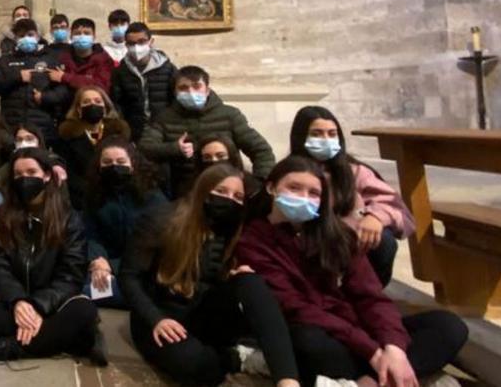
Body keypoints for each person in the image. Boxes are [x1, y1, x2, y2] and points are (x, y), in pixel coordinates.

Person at [237, 157, 468, 387]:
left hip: (360, 333)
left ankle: (375, 380)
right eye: (294, 188)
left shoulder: (337, 235)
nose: (303, 198)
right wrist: (373, 353)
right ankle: (392, 376)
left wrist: (392, 347)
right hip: (323, 334)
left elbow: (370, 296)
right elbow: (296, 308)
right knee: (307, 342)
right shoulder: (253, 241)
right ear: (271, 187)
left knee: (448, 326)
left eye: (313, 193)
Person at [119, 164, 301, 387]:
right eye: (221, 191)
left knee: (250, 281)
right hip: (160, 315)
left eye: (238, 196)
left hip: (202, 312)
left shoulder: (233, 227)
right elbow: (129, 277)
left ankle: (288, 382)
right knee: (197, 366)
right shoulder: (162, 219)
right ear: (203, 189)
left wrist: (235, 276)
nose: (229, 200)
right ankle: (236, 358)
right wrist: (156, 319)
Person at [0, 147, 104, 365]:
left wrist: (37, 306)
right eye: (18, 175)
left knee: (83, 310)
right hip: (14, 302)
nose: (24, 179)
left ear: (47, 175)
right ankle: (67, 341)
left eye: (31, 172)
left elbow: (71, 275)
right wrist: (19, 301)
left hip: (52, 304)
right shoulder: (2, 215)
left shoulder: (68, 219)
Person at [289, 107, 415, 287]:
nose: (326, 140)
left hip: (350, 245)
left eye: (332, 134)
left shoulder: (355, 172)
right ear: (301, 137)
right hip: (307, 246)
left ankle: (370, 294)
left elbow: (397, 208)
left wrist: (376, 217)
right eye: (316, 134)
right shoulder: (287, 173)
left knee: (384, 242)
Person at [138, 66, 274, 197]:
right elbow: (145, 147)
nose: (190, 92)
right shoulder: (164, 118)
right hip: (187, 192)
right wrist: (173, 149)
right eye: (183, 88)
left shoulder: (230, 115)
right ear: (175, 92)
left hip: (229, 188)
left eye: (196, 86)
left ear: (207, 90)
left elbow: (261, 151)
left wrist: (259, 185)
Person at [84, 137, 167, 309]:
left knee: (85, 294)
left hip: (143, 271)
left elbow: (155, 246)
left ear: (133, 164)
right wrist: (98, 260)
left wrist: (111, 267)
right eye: (107, 162)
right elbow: (91, 234)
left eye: (120, 161)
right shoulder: (95, 196)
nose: (114, 166)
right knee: (77, 286)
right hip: (107, 266)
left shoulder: (153, 196)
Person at [0, 18, 69, 144]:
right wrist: (17, 77)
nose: (26, 38)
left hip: (42, 125)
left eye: (30, 35)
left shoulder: (50, 59)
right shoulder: (5, 61)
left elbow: (63, 89)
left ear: (37, 36)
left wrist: (46, 97)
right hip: (11, 125)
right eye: (22, 35)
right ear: (16, 39)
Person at [53, 86, 131, 210]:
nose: (92, 104)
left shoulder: (119, 132)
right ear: (79, 109)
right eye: (86, 102)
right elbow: (69, 173)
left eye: (97, 101)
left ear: (105, 108)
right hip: (82, 199)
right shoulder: (67, 135)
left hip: (119, 195)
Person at [0, 121, 67, 212]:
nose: (24, 143)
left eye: (29, 138)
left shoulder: (52, 165)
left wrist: (56, 165)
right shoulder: (11, 165)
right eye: (19, 140)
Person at [110, 22, 176, 142]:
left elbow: (175, 100)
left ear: (151, 42)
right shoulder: (120, 71)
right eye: (131, 43)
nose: (136, 47)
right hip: (134, 132)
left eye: (141, 42)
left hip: (163, 130)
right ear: (126, 45)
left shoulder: (168, 68)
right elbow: (117, 103)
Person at [60, 17, 113, 94]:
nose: (82, 36)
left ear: (94, 36)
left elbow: (102, 87)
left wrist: (67, 77)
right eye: (77, 33)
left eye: (87, 33)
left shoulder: (104, 60)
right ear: (71, 36)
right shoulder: (62, 58)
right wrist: (88, 80)